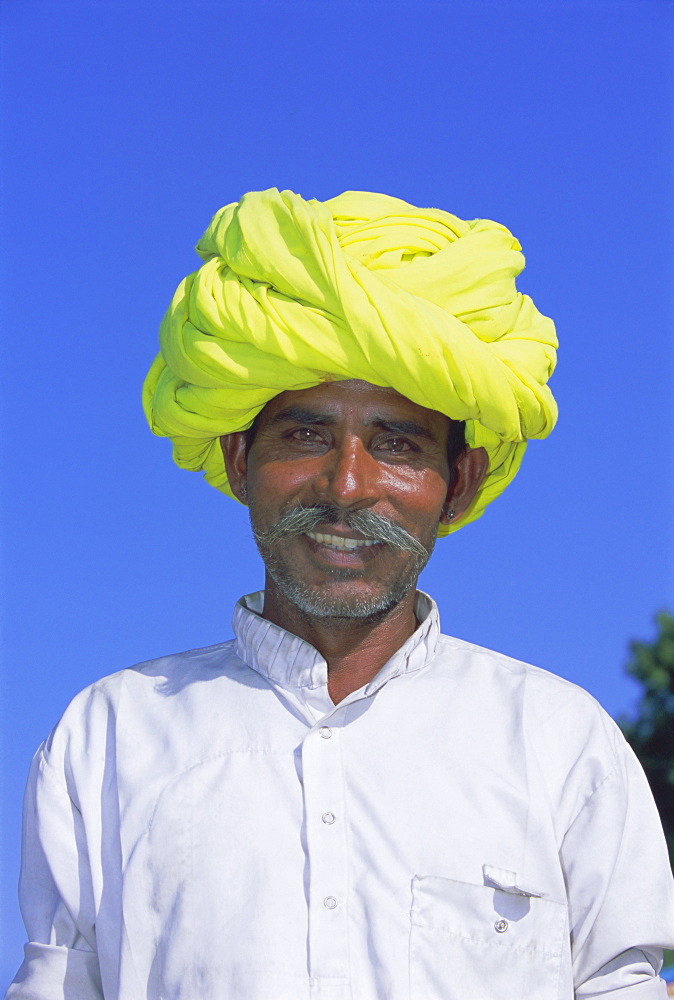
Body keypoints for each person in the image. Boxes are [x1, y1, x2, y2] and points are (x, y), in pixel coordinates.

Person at [6, 189, 674, 1000]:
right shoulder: (107, 742)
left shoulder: (562, 747)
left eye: (396, 443)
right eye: (306, 435)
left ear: (459, 482)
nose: (347, 486)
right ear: (239, 458)